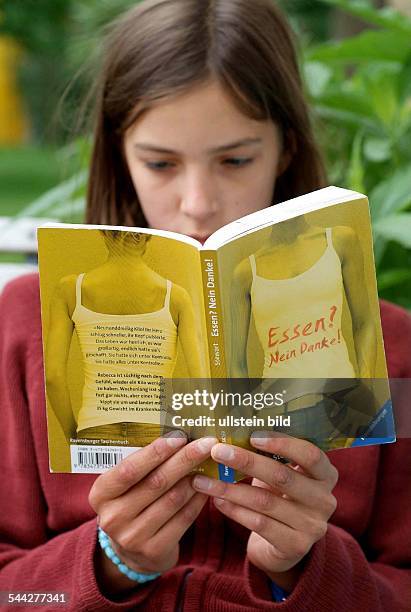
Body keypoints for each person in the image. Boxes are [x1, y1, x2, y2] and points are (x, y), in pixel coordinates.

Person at [0, 1, 410, 610]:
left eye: (236, 160)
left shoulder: (391, 344)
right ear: (119, 156)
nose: (197, 203)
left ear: (286, 149)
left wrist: (304, 568)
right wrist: (112, 562)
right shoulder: (27, 321)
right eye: (160, 163)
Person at [229, 214, 378, 448]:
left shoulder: (339, 240)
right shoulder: (245, 272)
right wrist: (249, 423)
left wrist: (364, 396)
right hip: (280, 416)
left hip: (341, 404)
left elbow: (365, 323)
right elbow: (236, 362)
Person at [45, 229, 203, 447]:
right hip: (158, 432)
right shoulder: (176, 297)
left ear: (102, 233)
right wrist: (193, 433)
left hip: (95, 429)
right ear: (149, 236)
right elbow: (200, 376)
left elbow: (52, 376)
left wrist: (74, 437)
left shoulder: (70, 290)